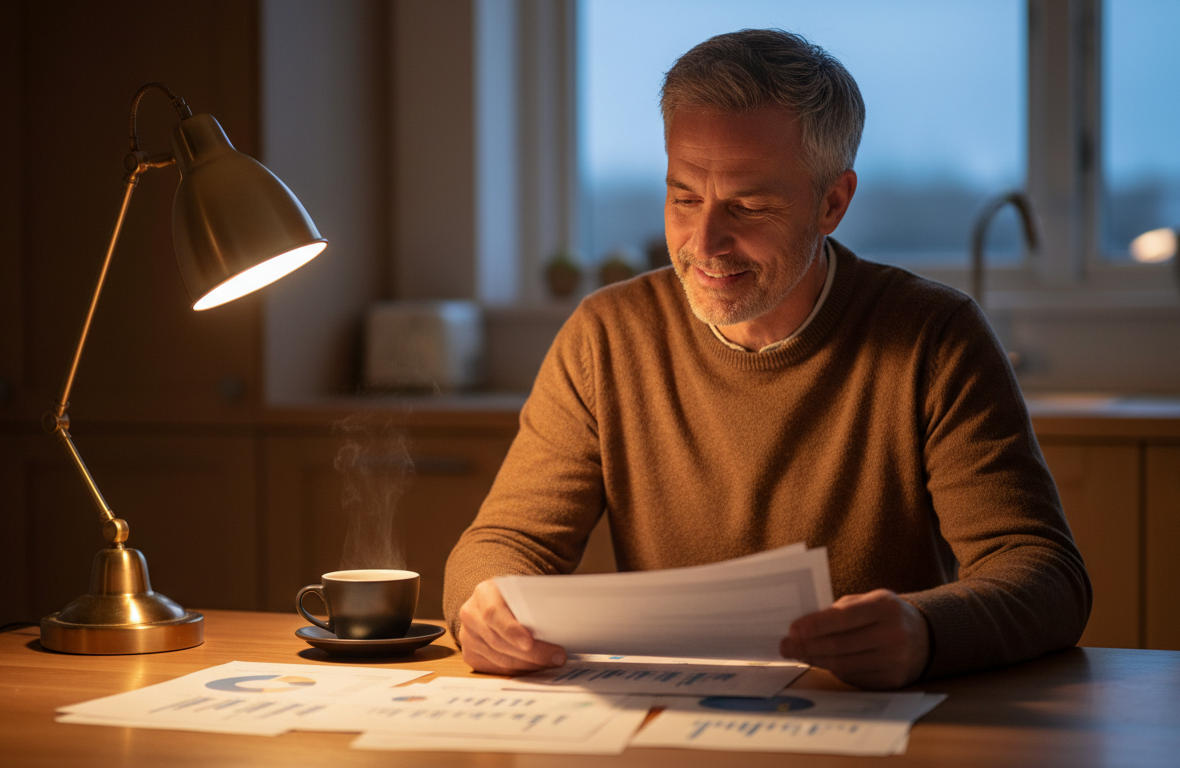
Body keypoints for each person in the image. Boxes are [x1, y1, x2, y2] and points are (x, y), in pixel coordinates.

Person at [443, 28, 1091, 690]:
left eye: (748, 206)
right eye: (684, 198)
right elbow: (503, 544)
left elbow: (1045, 576)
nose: (704, 242)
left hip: (871, 722)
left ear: (832, 202)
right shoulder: (606, 335)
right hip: (670, 719)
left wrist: (924, 632)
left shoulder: (933, 335)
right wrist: (483, 605)